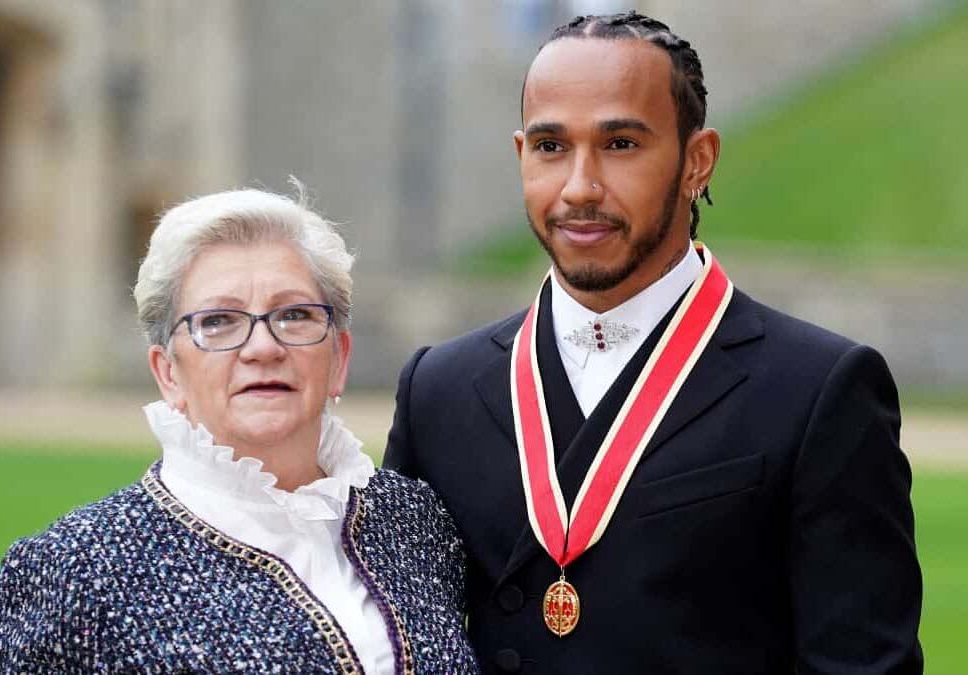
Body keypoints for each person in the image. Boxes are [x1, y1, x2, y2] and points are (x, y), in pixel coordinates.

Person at [384, 11, 922, 674]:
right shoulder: (437, 388)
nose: (580, 186)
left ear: (697, 160)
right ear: (522, 154)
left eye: (620, 145)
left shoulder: (821, 388)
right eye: (552, 147)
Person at [0, 186, 478, 673]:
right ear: (168, 372)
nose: (262, 347)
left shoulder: (413, 521)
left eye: (295, 315)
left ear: (339, 359)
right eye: (219, 320)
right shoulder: (76, 569)